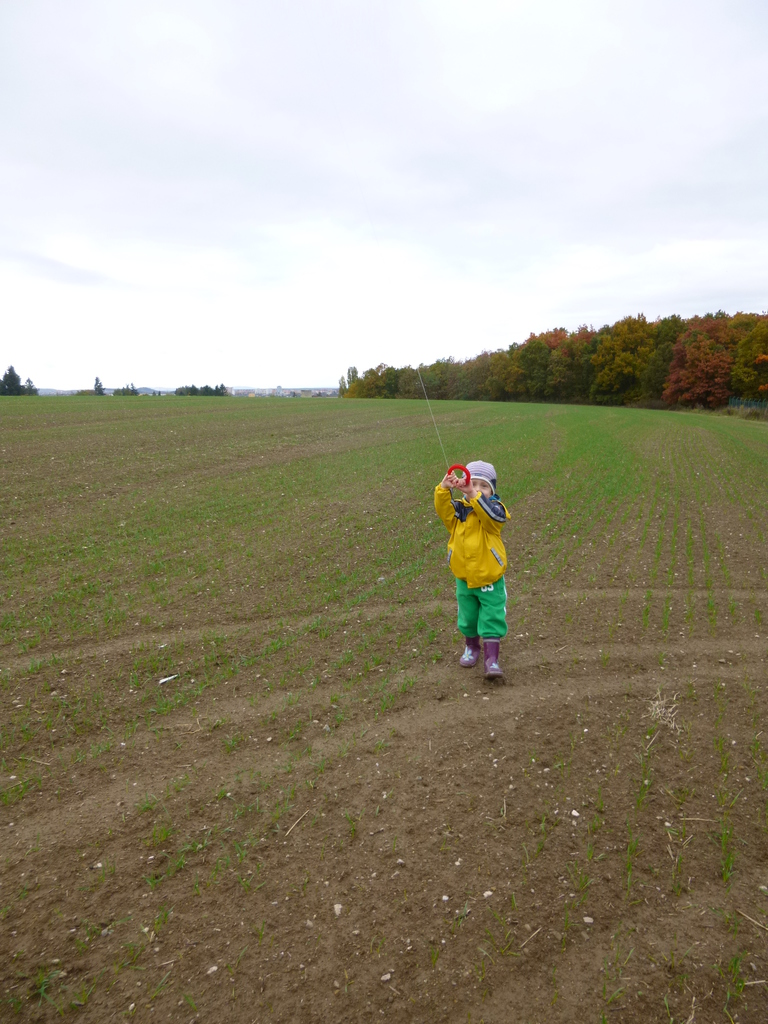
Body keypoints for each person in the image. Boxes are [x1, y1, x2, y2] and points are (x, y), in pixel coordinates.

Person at [434, 460, 511, 680]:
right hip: (464, 578)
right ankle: (471, 646)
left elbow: (492, 517)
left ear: (492, 491)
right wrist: (443, 489)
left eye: (483, 486)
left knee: (492, 617)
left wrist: (473, 495)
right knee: (467, 618)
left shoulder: (496, 509)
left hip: (489, 578)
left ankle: (491, 658)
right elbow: (443, 511)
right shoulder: (459, 511)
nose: (477, 489)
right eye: (473, 483)